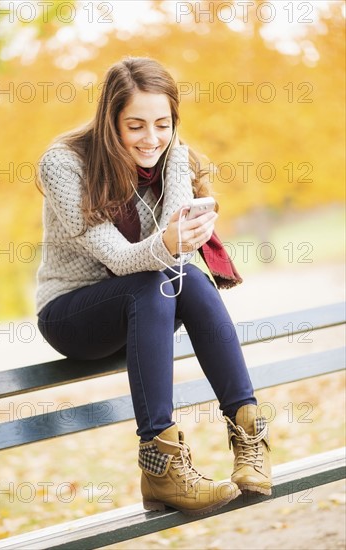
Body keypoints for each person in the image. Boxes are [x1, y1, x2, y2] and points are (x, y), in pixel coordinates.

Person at [36, 56, 272, 517]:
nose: (152, 139)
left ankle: (251, 438)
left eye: (163, 124)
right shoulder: (63, 165)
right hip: (73, 315)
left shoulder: (175, 157)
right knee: (150, 283)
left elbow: (174, 261)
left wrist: (186, 232)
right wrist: (170, 241)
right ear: (111, 123)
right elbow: (122, 261)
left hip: (145, 307)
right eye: (136, 125)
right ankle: (161, 466)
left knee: (183, 276)